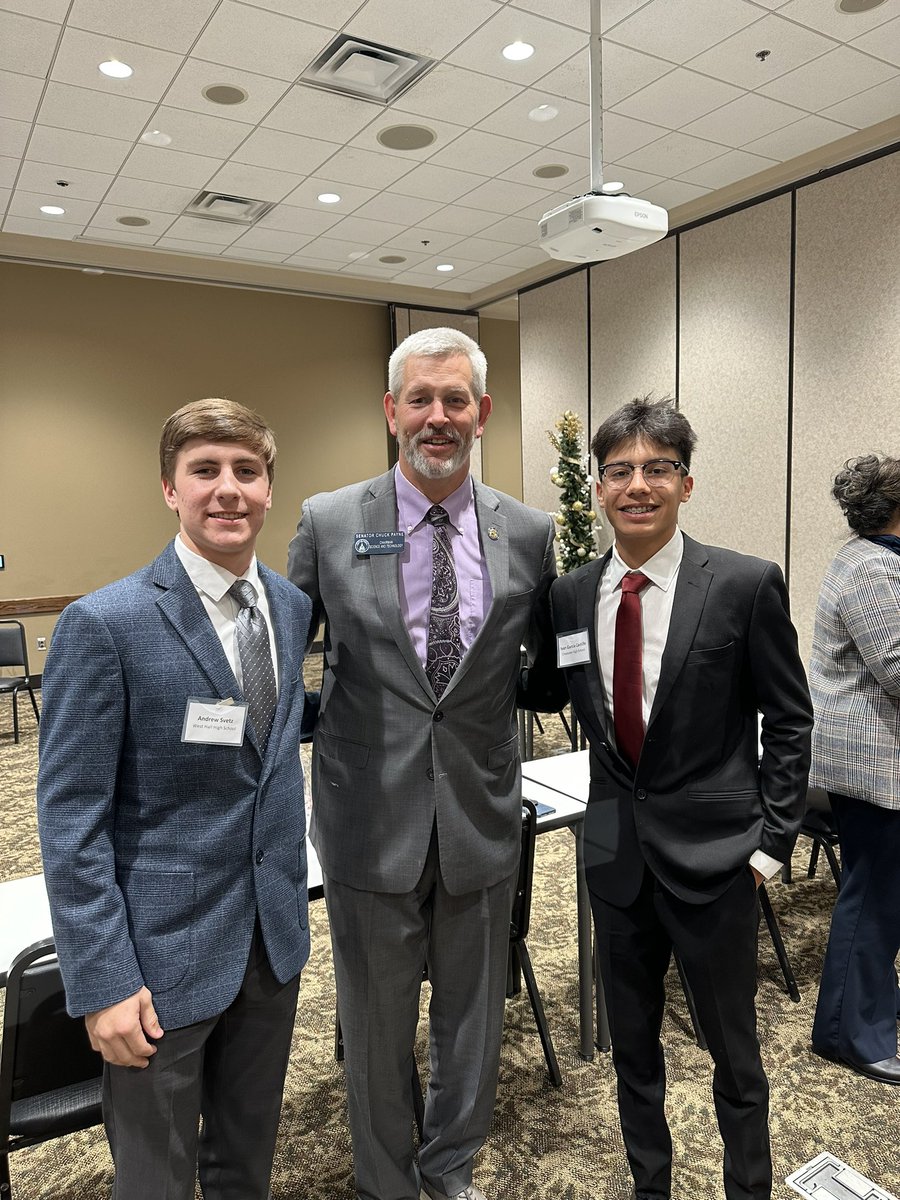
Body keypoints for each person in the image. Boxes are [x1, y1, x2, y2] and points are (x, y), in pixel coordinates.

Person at [287, 327, 563, 1200]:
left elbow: (547, 672)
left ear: (482, 413)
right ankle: (385, 1184)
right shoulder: (331, 522)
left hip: (481, 818)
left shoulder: (529, 531)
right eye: (420, 399)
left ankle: (449, 1172)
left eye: (455, 401)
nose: (436, 418)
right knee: (374, 1024)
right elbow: (280, 659)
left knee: (473, 1025)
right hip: (368, 818)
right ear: (391, 411)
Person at [37, 398, 313, 1200]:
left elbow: (266, 758)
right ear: (169, 488)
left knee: (245, 1165)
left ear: (268, 490)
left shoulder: (289, 609)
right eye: (205, 471)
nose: (228, 490)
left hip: (272, 943)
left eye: (247, 472)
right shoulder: (107, 623)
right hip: (156, 968)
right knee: (155, 1179)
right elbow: (70, 818)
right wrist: (104, 982)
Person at [550, 397, 812, 1200]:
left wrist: (770, 845)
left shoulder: (741, 584)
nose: (638, 485)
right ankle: (650, 1188)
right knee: (634, 1052)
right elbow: (549, 691)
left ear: (686, 483)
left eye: (657, 468)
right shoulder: (567, 597)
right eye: (620, 471)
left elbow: (791, 719)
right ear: (598, 489)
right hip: (612, 857)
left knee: (735, 1056)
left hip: (719, 862)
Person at [809, 454, 900, 1085]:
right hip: (872, 762)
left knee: (884, 897)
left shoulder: (876, 559)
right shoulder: (872, 567)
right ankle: (850, 1035)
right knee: (871, 897)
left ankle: (869, 1015)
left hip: (879, 756)